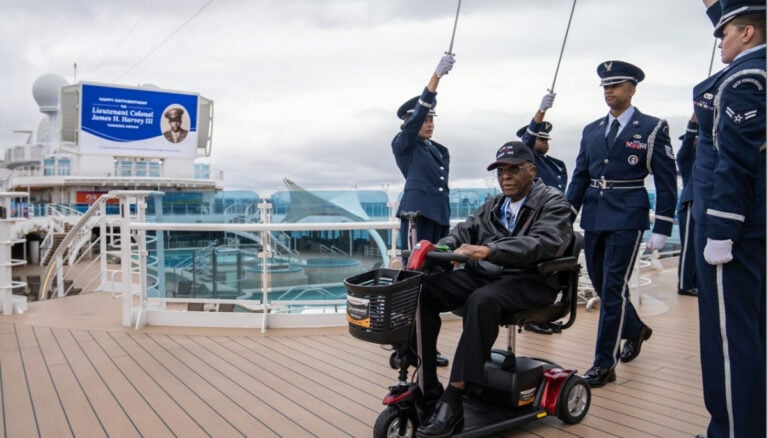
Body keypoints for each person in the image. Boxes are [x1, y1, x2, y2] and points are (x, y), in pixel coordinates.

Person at [412, 141, 573, 437]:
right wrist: (440, 250)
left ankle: (454, 398)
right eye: (500, 171)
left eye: (513, 169)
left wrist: (489, 250)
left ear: (532, 170)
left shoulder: (553, 202)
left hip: (531, 280)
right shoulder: (494, 205)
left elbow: (545, 243)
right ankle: (429, 386)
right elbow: (462, 231)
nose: (505, 176)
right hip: (489, 275)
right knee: (424, 290)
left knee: (481, 300)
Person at [565, 60, 677, 388]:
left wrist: (662, 227)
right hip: (595, 214)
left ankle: (604, 363)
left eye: (615, 85)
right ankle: (636, 328)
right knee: (602, 284)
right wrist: (564, 216)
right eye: (605, 86)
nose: (609, 91)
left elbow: (667, 182)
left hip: (628, 215)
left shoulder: (652, 128)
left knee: (613, 287)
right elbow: (580, 176)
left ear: (632, 88)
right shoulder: (591, 130)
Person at [692, 1, 766, 436]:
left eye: (725, 33)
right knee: (750, 332)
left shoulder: (745, 78)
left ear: (748, 33)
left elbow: (735, 163)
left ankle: (733, 430)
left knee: (728, 340)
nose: (719, 41)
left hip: (731, 230)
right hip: (753, 224)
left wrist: (720, 231)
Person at [392, 53, 455, 368]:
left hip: (437, 221)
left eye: (432, 120)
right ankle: (408, 347)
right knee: (415, 282)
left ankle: (425, 346)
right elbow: (416, 119)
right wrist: (436, 78)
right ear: (409, 122)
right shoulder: (404, 144)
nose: (429, 124)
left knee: (433, 284)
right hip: (417, 220)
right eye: (424, 119)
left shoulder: (437, 150)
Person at [517, 92, 568, 192]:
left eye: (546, 139)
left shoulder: (558, 164)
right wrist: (542, 110)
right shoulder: (527, 159)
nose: (545, 142)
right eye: (541, 139)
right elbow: (529, 137)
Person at [676, 115, 699, 297]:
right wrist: (693, 123)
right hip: (691, 202)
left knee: (699, 245)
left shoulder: (706, 160)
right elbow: (687, 145)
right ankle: (685, 283)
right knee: (689, 245)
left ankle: (695, 281)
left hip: (703, 203)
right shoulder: (687, 160)